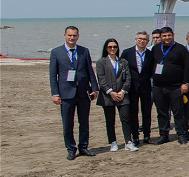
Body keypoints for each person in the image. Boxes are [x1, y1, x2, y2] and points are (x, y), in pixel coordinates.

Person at [50, 26, 100, 159]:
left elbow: (90, 71)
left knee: (84, 122)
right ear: (65, 36)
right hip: (65, 93)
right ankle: (71, 149)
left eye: (74, 35)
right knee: (68, 124)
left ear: (78, 36)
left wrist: (95, 88)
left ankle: (83, 147)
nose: (72, 38)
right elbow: (53, 75)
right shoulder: (56, 52)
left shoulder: (84, 51)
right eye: (69, 35)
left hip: (83, 92)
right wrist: (55, 94)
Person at [151, 27, 189, 145]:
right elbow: (150, 65)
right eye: (164, 36)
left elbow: (187, 67)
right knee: (162, 113)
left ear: (173, 35)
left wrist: (185, 83)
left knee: (178, 112)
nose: (167, 38)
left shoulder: (181, 49)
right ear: (161, 37)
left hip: (176, 87)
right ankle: (164, 135)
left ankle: (181, 134)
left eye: (169, 35)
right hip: (159, 86)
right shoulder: (156, 49)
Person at [95, 38, 137, 153]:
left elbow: (128, 78)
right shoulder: (101, 62)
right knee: (110, 120)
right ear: (106, 48)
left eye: (115, 47)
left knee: (126, 118)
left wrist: (123, 91)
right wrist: (111, 92)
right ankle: (113, 142)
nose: (112, 49)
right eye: (110, 47)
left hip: (122, 95)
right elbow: (101, 80)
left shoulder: (123, 61)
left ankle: (128, 141)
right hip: (108, 96)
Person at [121, 31, 154, 145]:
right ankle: (135, 136)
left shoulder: (150, 54)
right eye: (140, 39)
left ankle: (147, 135)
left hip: (146, 86)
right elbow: (122, 68)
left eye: (144, 39)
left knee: (147, 112)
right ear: (136, 40)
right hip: (132, 87)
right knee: (133, 112)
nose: (142, 41)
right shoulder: (127, 52)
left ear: (148, 41)